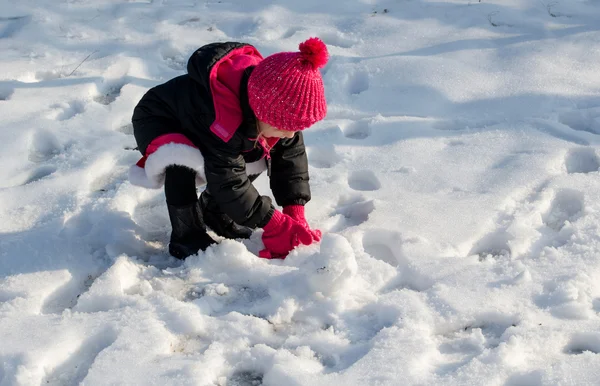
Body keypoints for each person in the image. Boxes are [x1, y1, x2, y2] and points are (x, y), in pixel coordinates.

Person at [128, 37, 328, 259]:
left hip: (204, 124)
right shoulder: (225, 118)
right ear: (262, 112)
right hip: (159, 118)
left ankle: (214, 211)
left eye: (296, 128)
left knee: (259, 152)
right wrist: (273, 222)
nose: (290, 134)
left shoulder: (277, 113)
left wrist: (294, 212)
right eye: (285, 127)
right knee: (180, 159)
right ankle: (187, 235)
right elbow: (228, 180)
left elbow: (291, 158)